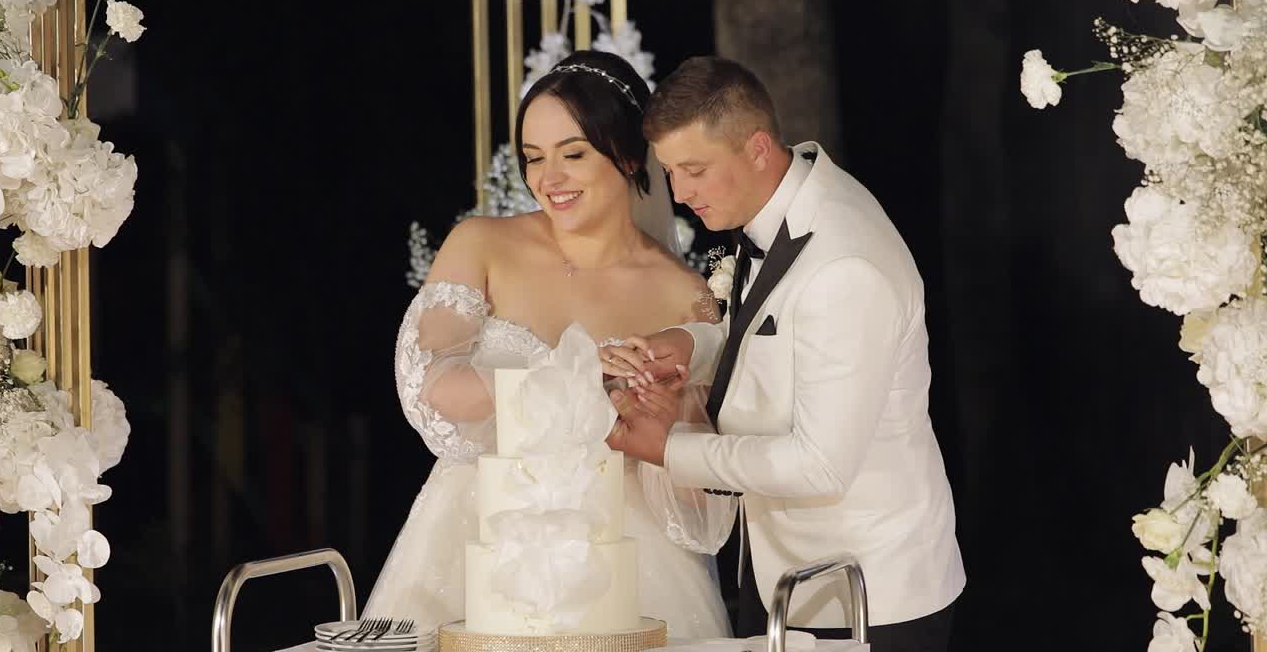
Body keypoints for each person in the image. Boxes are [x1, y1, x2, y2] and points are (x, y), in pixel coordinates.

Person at [363, 50, 736, 638]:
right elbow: (428, 382)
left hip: (627, 558)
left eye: (574, 155)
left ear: (630, 155)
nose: (548, 180)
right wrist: (575, 382)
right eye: (534, 159)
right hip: (476, 533)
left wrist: (659, 416)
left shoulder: (683, 297)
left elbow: (698, 502)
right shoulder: (481, 244)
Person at [603, 56, 965, 652]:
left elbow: (820, 465)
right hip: (791, 577)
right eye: (670, 171)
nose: (680, 193)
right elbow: (775, 330)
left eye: (694, 170)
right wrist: (689, 345)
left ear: (758, 148)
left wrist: (670, 450)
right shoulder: (783, 203)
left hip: (870, 593)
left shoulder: (845, 266)